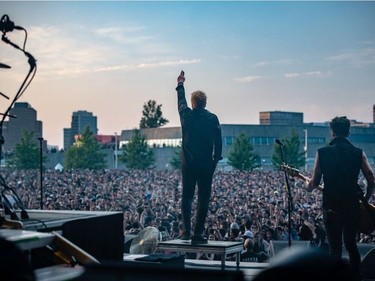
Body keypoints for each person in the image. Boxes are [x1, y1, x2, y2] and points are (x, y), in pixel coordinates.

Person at [307, 116, 375, 281]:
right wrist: (365, 198)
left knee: (334, 248)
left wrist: (308, 186)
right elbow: (371, 178)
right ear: (348, 132)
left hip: (331, 207)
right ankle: (357, 277)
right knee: (351, 244)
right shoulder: (358, 153)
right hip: (351, 206)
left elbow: (315, 181)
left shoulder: (322, 153)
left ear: (332, 132)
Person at [175, 70, 222, 244]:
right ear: (205, 103)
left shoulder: (186, 115)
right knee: (203, 199)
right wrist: (215, 161)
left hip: (188, 165)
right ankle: (198, 233)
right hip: (205, 165)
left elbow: (181, 101)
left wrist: (180, 84)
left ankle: (186, 231)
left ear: (193, 103)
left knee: (187, 197)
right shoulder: (212, 119)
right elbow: (219, 142)